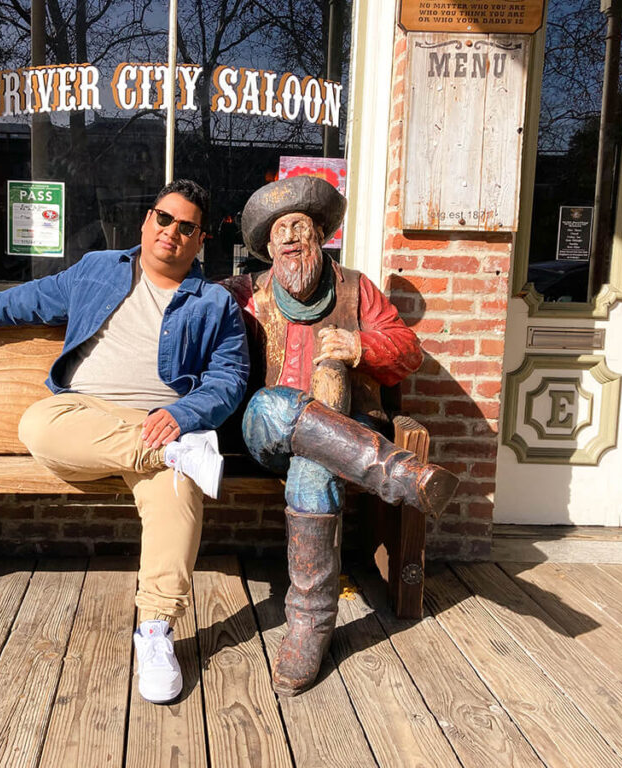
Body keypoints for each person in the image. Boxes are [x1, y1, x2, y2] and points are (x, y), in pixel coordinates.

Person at [0, 180, 250, 704]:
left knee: (178, 491)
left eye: (186, 227)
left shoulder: (213, 302)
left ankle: (155, 630)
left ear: (200, 241)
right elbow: (23, 302)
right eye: (163, 219)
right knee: (37, 423)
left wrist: (183, 413)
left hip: (159, 422)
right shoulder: (97, 270)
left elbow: (230, 377)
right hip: (84, 417)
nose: (171, 232)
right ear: (147, 222)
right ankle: (174, 456)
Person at [223, 175, 458, 696]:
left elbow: (408, 351)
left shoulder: (355, 287)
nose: (290, 238)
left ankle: (309, 622)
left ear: (321, 234)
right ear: (265, 247)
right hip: (269, 439)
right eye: (280, 231)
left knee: (317, 456)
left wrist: (360, 346)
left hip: (341, 441)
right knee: (271, 404)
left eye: (300, 227)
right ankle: (402, 474)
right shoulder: (247, 294)